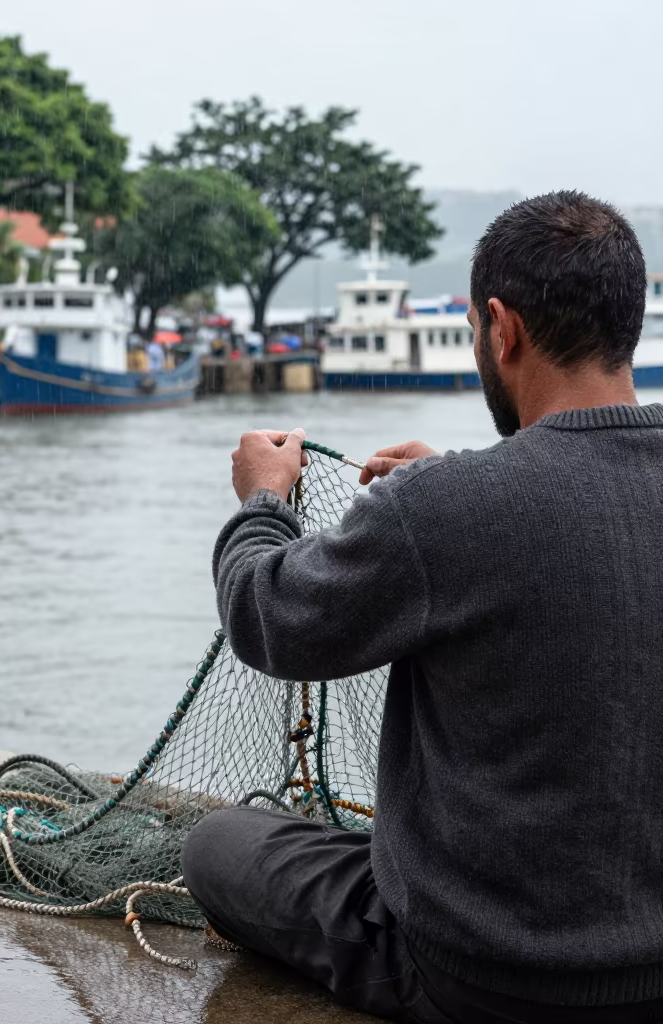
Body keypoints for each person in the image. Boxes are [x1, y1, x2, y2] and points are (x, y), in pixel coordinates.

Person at [183, 192, 663, 1023]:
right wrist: (455, 489)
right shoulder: (454, 504)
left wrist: (262, 503)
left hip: (477, 976)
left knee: (217, 845)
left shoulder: (448, 509)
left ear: (500, 329)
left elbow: (268, 616)